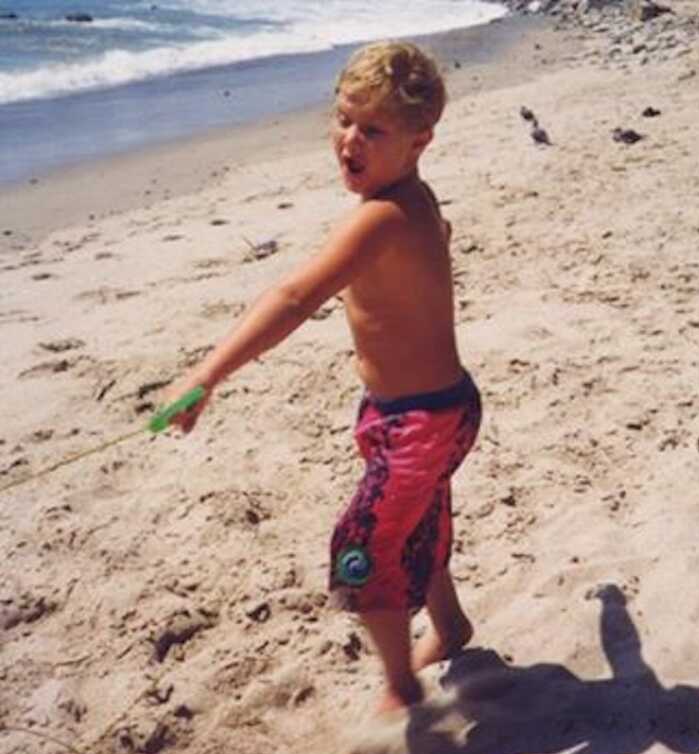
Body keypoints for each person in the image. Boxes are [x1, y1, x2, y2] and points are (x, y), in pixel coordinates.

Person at [164, 41, 481, 714]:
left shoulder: (380, 219)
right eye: (342, 120)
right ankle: (449, 624)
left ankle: (399, 686)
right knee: (419, 524)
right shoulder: (415, 202)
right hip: (432, 411)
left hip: (421, 423)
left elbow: (292, 298)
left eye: (373, 130)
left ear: (421, 140)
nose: (348, 141)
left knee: (363, 547)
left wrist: (206, 373)